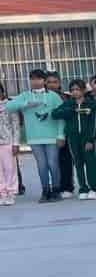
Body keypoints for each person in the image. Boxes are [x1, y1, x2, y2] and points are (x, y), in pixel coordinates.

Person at [7, 69, 65, 202]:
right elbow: (9, 106)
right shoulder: (25, 95)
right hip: (34, 137)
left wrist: (61, 134)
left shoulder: (53, 96)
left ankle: (56, 189)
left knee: (53, 163)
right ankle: (45, 190)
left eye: (38, 79)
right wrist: (26, 104)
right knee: (42, 165)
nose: (35, 81)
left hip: (52, 136)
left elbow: (61, 116)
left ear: (44, 81)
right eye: (32, 79)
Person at [52, 79, 96, 199]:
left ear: (84, 90)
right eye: (72, 90)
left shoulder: (91, 103)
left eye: (77, 89)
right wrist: (71, 111)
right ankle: (83, 188)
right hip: (73, 138)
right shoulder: (69, 103)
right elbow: (55, 114)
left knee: (91, 163)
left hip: (87, 138)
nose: (75, 92)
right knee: (78, 163)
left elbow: (94, 123)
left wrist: (90, 139)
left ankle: (94, 188)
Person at [0, 82, 19, 206]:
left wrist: (16, 143)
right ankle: (2, 193)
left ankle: (11, 193)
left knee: (10, 169)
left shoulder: (9, 105)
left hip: (8, 142)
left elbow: (15, 125)